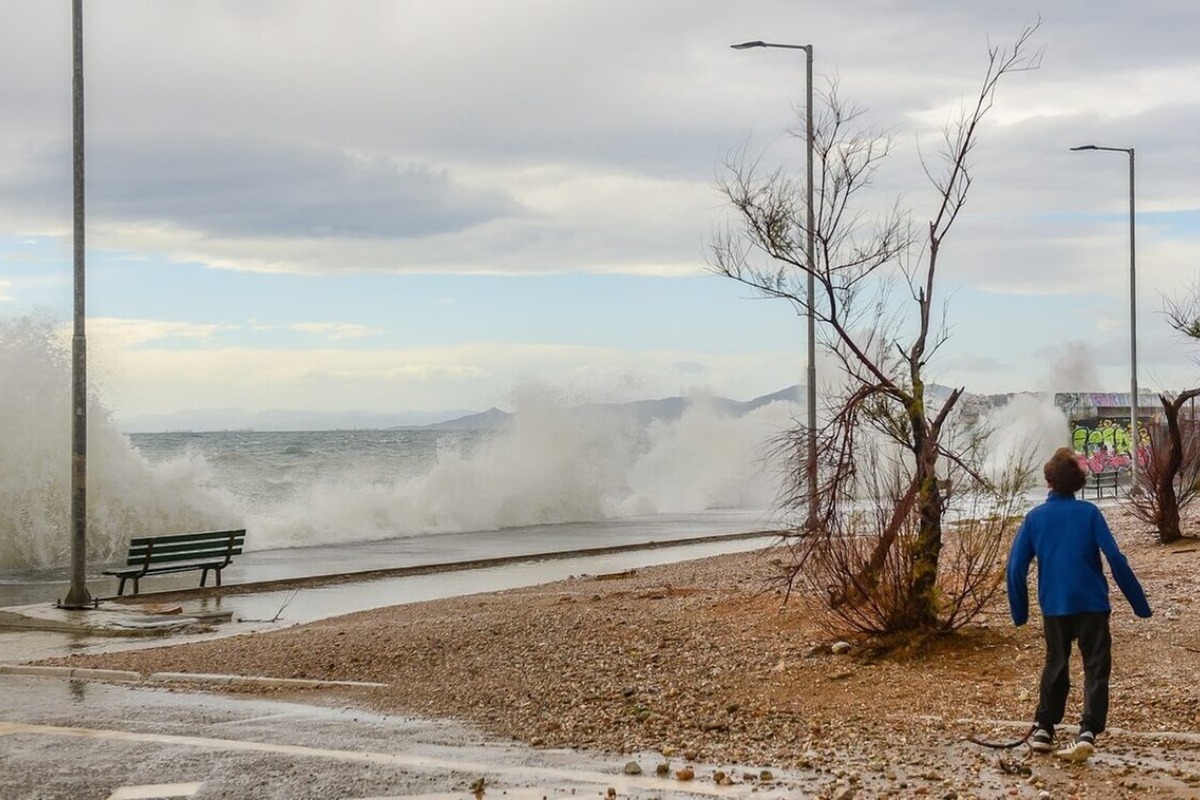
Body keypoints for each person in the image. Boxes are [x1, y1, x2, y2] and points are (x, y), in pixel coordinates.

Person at [1006, 447, 1152, 761]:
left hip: (1055, 605)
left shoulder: (1034, 519)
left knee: (1056, 663)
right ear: (1078, 483)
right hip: (1092, 604)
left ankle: (1044, 728)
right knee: (1096, 668)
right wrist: (1139, 603)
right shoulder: (1090, 514)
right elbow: (1115, 557)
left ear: (1048, 481)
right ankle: (1087, 731)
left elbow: (1015, 567)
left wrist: (1020, 612)